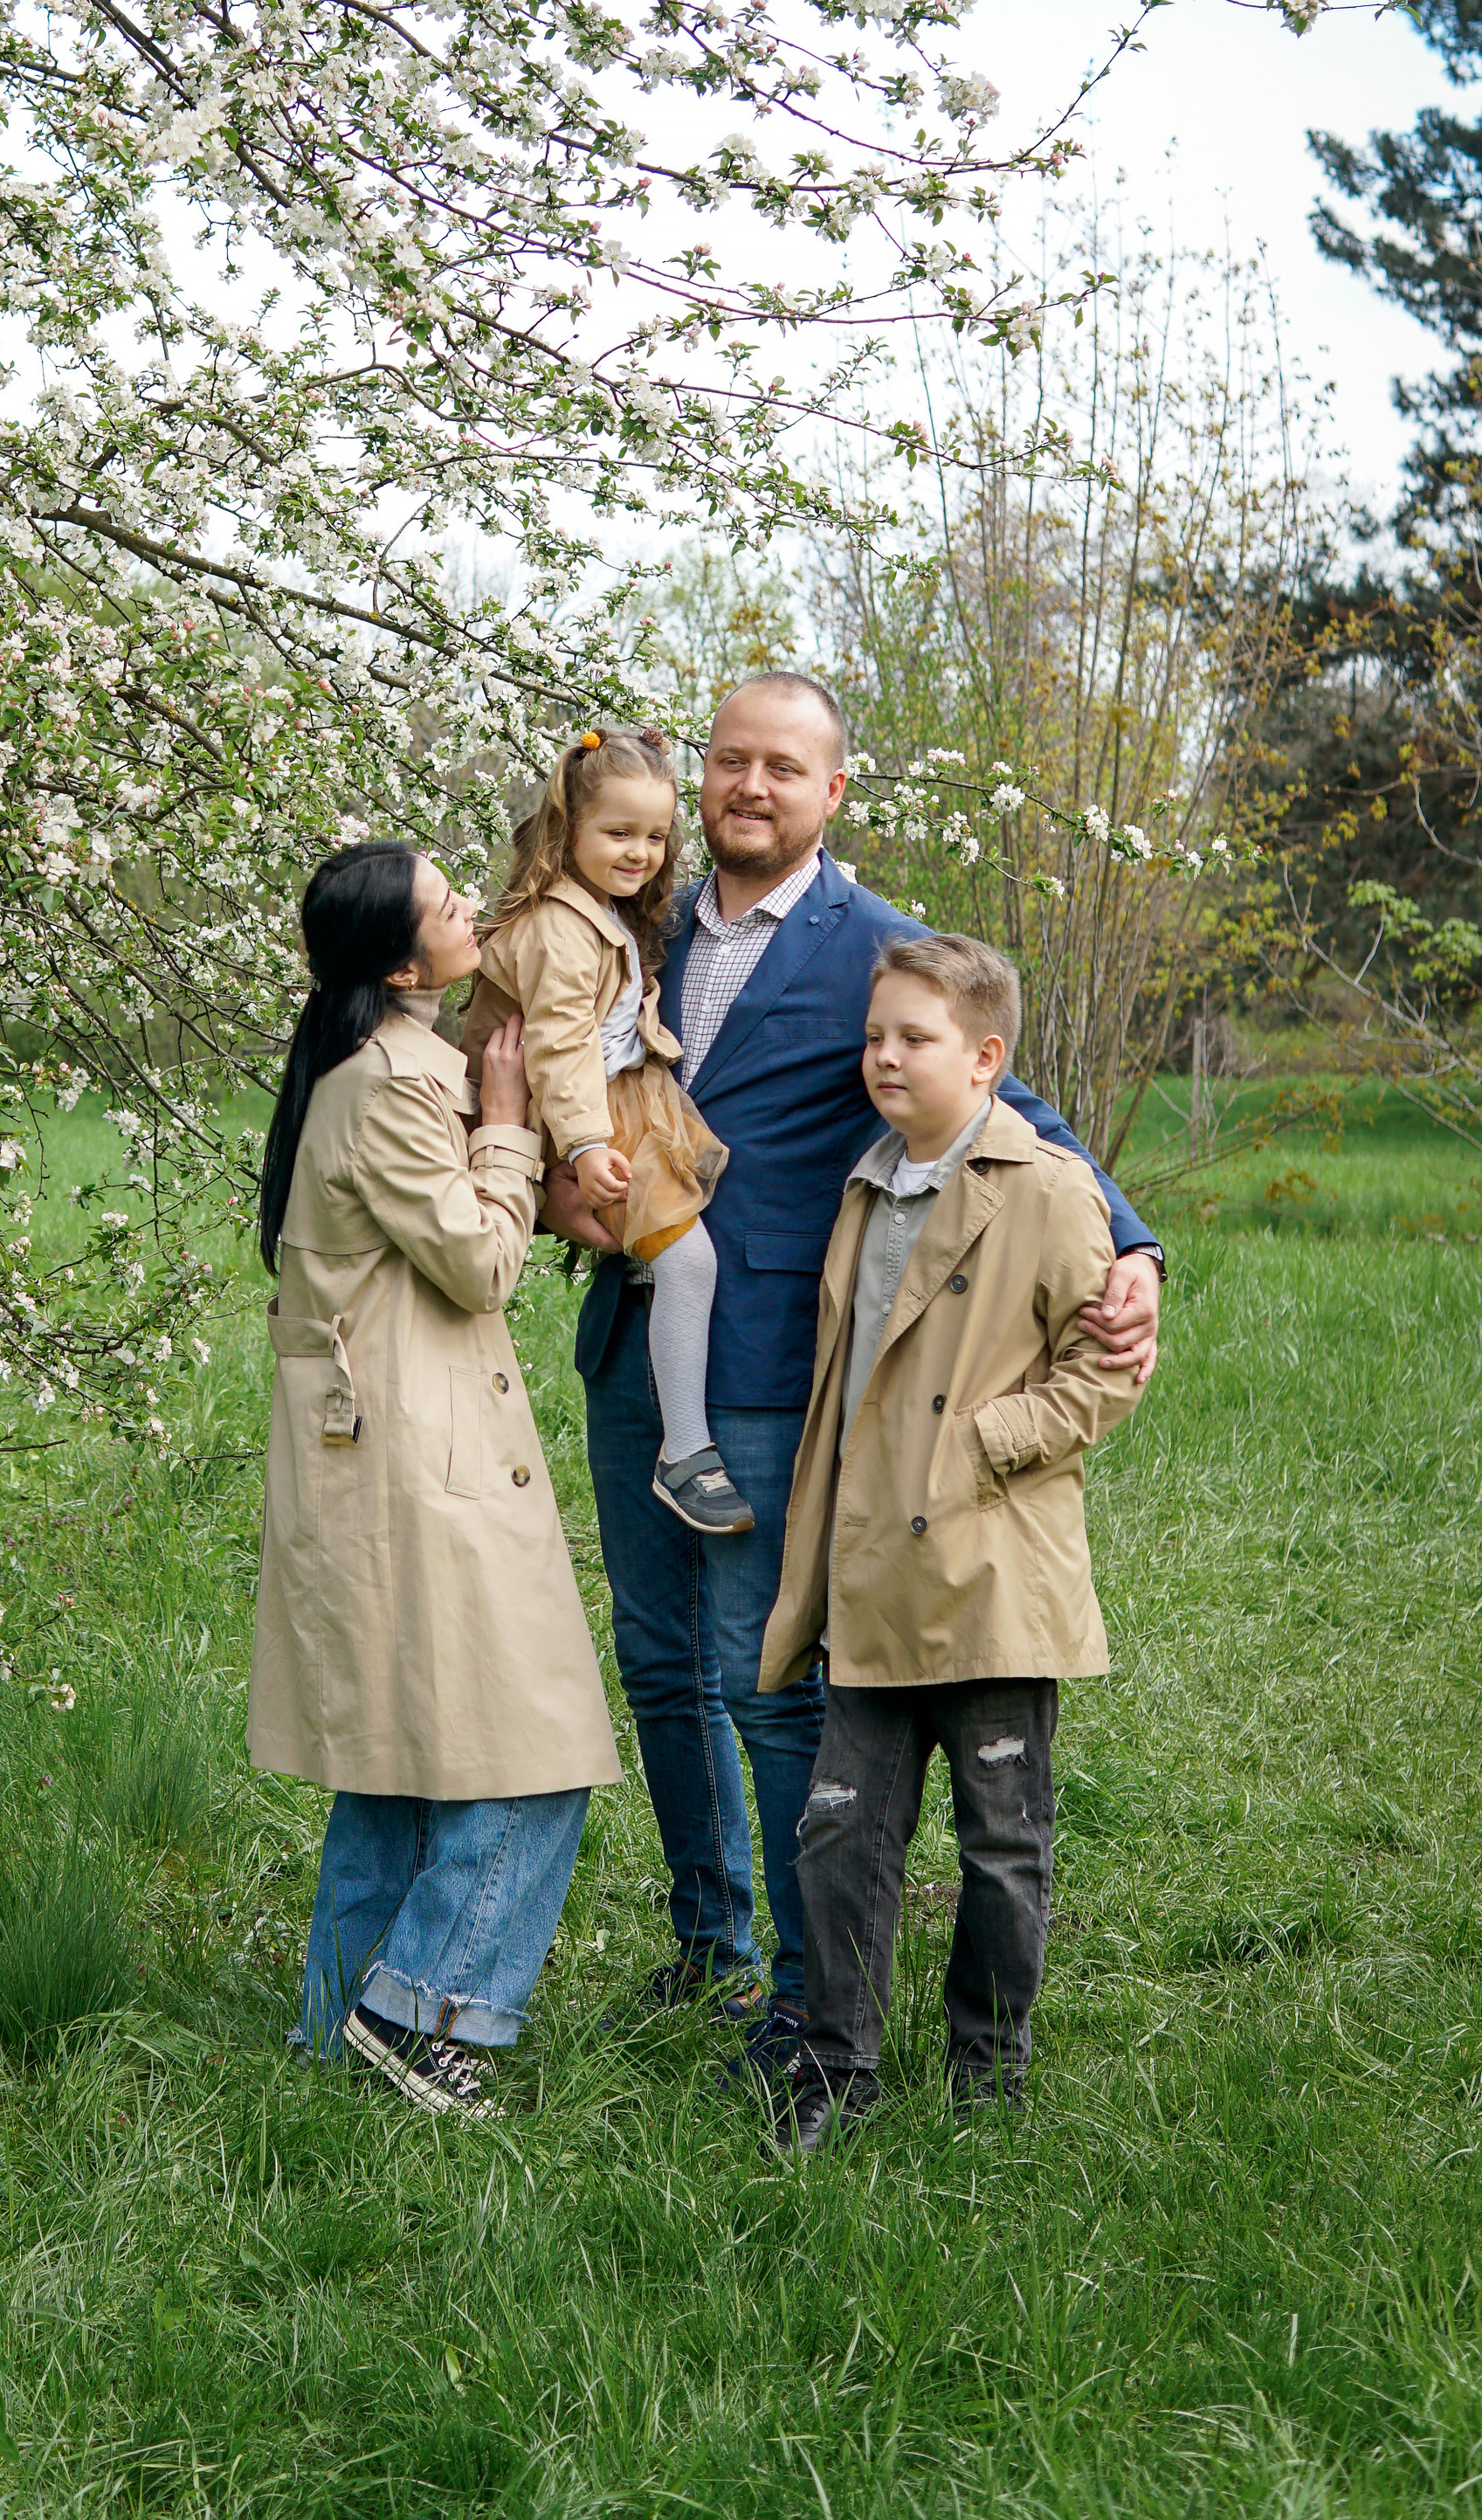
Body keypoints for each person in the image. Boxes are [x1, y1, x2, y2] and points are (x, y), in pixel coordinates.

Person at [545, 673, 1162, 2055]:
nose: (747, 787)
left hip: (773, 1361)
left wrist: (1133, 1247)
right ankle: (703, 1935)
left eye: (782, 767)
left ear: (835, 792)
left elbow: (1022, 1107)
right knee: (655, 1663)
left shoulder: (871, 944)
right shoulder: (623, 924)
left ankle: (798, 1977)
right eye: (728, 762)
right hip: (630, 1340)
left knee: (763, 1674)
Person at [248, 837, 622, 2123]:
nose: (475, 909)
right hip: (418, 1458)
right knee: (536, 1751)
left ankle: (330, 2037)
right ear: (405, 962)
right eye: (453, 906)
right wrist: (512, 1134)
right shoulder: (398, 1086)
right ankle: (423, 2015)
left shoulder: (367, 1064)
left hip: (387, 1449)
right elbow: (477, 1266)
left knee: (401, 1756)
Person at [756, 932, 1143, 2144]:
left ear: (986, 1059)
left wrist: (980, 1447)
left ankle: (990, 2078)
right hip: (870, 1576)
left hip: (987, 1578)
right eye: (875, 1036)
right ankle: (836, 2073)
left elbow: (1107, 1371)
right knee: (841, 1836)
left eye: (913, 1039)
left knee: (1001, 1847)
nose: (883, 1057)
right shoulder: (869, 1180)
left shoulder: (1049, 1187)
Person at [462, 725, 748, 1537]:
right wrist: (584, 1147)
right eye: (618, 834)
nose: (640, 853)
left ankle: (664, 1319)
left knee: (685, 1226)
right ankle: (684, 1452)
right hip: (588, 1109)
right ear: (569, 831)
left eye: (655, 837)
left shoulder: (596, 912)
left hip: (621, 1095)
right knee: (691, 1259)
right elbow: (555, 1045)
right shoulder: (559, 927)